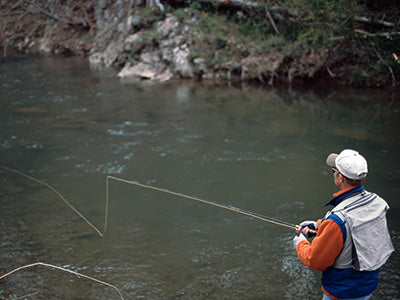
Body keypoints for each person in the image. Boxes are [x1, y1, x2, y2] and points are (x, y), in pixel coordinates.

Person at [293, 149, 394, 300]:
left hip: (341, 293)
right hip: (367, 287)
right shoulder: (376, 202)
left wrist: (300, 242)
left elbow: (315, 260)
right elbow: (356, 225)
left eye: (334, 170)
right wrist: (319, 225)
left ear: (340, 177)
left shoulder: (336, 220)